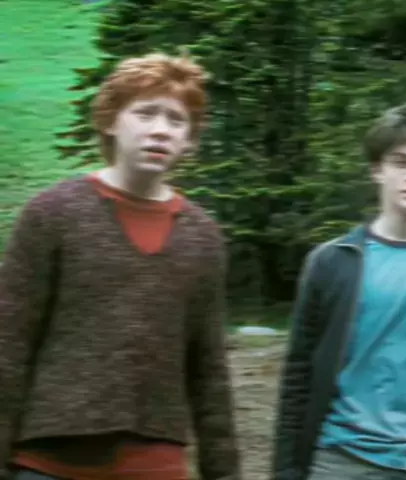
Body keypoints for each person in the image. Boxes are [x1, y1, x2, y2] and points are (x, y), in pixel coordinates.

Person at [0, 52, 241, 480]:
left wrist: (223, 472)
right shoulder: (53, 214)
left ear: (189, 140)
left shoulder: (202, 236)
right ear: (111, 121)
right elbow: (10, 344)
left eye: (176, 120)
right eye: (145, 113)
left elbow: (208, 370)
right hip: (50, 462)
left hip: (156, 465)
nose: (160, 129)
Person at [271, 102, 406, 480]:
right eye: (401, 162)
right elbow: (298, 378)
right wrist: (286, 470)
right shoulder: (331, 263)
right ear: (377, 170)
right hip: (340, 457)